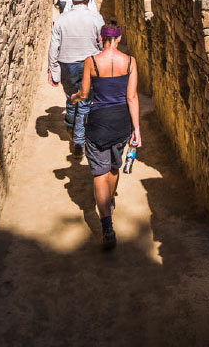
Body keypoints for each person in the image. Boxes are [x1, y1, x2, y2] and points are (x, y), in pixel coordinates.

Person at [70, 21, 140, 250]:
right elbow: (131, 98)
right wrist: (136, 129)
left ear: (102, 38)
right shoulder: (129, 62)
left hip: (98, 122)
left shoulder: (92, 62)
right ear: (119, 38)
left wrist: (75, 98)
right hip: (121, 122)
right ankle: (109, 203)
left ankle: (107, 225)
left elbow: (85, 93)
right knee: (113, 167)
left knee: (99, 173)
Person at [48, 0, 104, 156]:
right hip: (90, 63)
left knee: (71, 97)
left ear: (72, 0)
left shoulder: (61, 19)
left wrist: (54, 71)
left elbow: (54, 47)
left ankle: (70, 126)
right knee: (85, 101)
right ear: (88, 0)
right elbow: (101, 44)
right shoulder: (96, 18)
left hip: (67, 64)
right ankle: (79, 141)